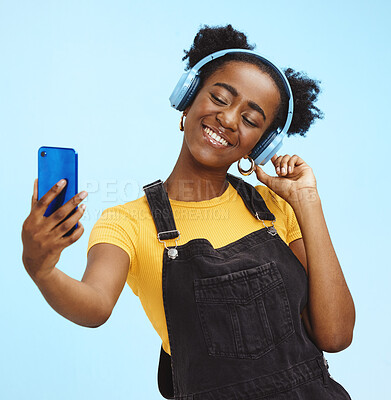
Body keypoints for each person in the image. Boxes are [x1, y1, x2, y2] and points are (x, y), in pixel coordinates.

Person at [22, 24, 355, 399]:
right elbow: (95, 306)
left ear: (259, 146)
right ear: (188, 98)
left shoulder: (277, 208)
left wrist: (308, 202)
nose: (228, 120)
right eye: (219, 98)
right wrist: (43, 269)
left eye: (250, 120)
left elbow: (336, 335)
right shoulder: (127, 223)